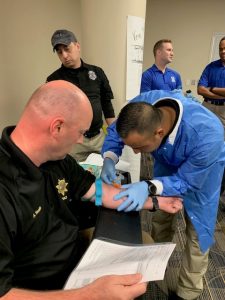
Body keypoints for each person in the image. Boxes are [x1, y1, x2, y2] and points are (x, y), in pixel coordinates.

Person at [0, 80, 183, 299]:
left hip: (77, 257)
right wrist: (90, 294)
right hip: (43, 289)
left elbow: (97, 192)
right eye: (81, 132)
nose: (80, 141)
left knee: (143, 247)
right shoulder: (5, 190)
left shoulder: (57, 160)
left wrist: (153, 201)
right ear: (56, 127)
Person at [100, 89, 225, 300]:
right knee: (161, 218)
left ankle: (189, 291)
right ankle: (155, 265)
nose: (137, 153)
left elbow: (187, 181)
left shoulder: (208, 132)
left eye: (138, 147)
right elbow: (116, 131)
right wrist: (110, 157)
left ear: (159, 132)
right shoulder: (144, 105)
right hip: (167, 163)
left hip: (202, 175)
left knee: (197, 233)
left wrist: (148, 187)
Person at [46, 29, 115, 162]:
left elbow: (107, 105)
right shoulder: (53, 80)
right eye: (60, 52)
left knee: (103, 178)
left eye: (67, 49)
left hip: (98, 139)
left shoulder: (97, 72)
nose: (64, 55)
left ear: (77, 46)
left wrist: (114, 135)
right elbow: (51, 115)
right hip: (73, 144)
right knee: (75, 180)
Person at [197, 36, 225, 195]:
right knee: (201, 142)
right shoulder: (211, 67)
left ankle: (215, 186)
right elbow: (200, 90)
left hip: (223, 112)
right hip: (207, 107)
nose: (222, 51)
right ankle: (198, 178)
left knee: (220, 148)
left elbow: (207, 88)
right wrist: (219, 93)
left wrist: (212, 89)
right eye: (220, 48)